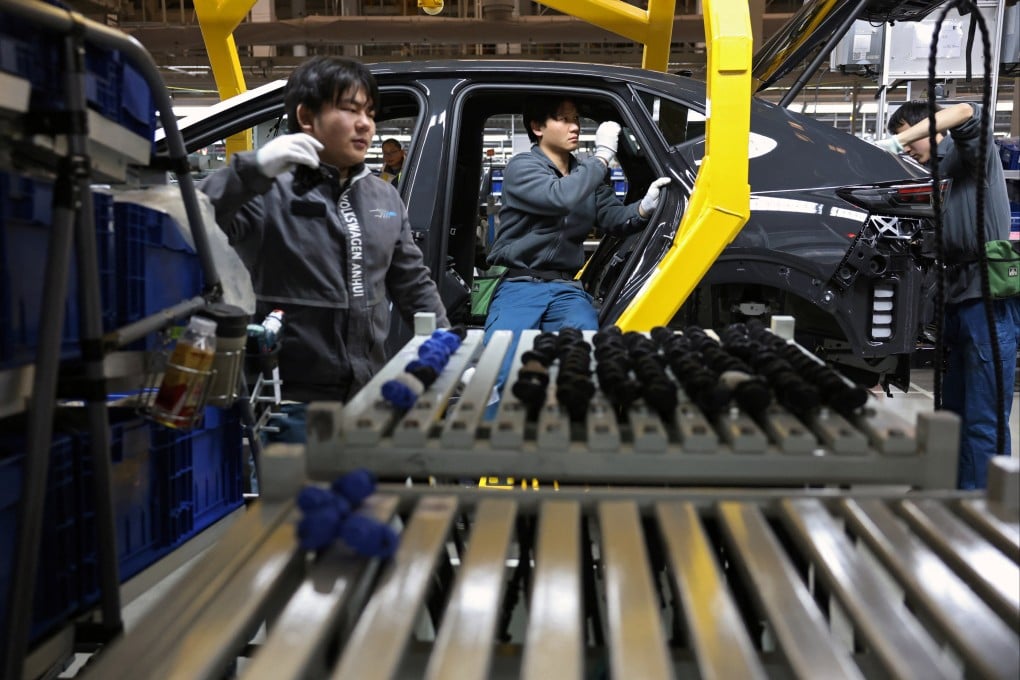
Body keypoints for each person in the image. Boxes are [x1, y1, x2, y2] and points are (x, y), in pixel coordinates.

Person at [201, 56, 448, 443]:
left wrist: (445, 347)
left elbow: (413, 286)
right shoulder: (267, 193)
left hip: (367, 399)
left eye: (369, 111)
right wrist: (252, 170)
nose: (366, 123)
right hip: (288, 408)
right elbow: (196, 217)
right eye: (350, 109)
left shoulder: (383, 196)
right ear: (306, 116)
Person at [878, 100, 1019, 489]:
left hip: (986, 297)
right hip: (956, 295)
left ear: (928, 127)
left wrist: (892, 143)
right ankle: (947, 491)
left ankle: (979, 509)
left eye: (909, 136)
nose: (907, 148)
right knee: (953, 411)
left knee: (983, 414)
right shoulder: (934, 176)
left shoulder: (970, 155)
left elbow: (965, 110)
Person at [483, 95, 671, 387]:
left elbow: (614, 218)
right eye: (563, 119)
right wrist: (601, 158)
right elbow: (559, 196)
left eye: (576, 119)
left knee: (583, 362)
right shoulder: (522, 167)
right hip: (520, 285)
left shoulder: (587, 174)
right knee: (505, 369)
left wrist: (644, 208)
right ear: (537, 127)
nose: (574, 127)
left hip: (566, 289)